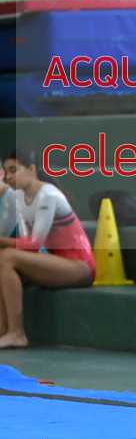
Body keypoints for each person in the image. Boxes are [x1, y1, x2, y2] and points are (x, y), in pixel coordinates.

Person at [0, 148, 95, 349]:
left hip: (79, 267)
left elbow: (35, 244)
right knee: (3, 259)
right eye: (5, 172)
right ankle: (3, 330)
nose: (8, 177)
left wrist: (2, 241)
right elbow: (28, 244)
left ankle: (17, 333)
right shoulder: (20, 198)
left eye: (13, 170)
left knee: (6, 256)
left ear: (32, 169)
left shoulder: (48, 195)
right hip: (56, 265)